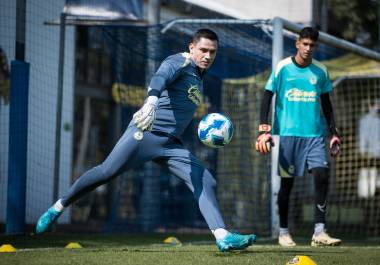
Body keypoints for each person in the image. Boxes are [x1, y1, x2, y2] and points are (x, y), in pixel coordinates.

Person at [36, 29, 256, 252]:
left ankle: (222, 236)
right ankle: (58, 207)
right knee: (106, 172)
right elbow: (160, 76)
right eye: (203, 50)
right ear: (192, 47)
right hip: (146, 133)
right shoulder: (179, 61)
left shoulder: (200, 78)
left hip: (171, 144)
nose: (208, 56)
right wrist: (151, 101)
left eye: (213, 52)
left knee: (205, 180)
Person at [256, 27, 342, 247]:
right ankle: (283, 232)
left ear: (316, 47)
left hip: (314, 135)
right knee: (287, 185)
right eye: (305, 44)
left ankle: (319, 232)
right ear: (297, 43)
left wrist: (333, 132)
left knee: (322, 176)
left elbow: (327, 103)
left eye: (312, 45)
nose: (308, 48)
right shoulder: (283, 67)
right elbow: (267, 96)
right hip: (288, 136)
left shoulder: (321, 71)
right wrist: (264, 129)